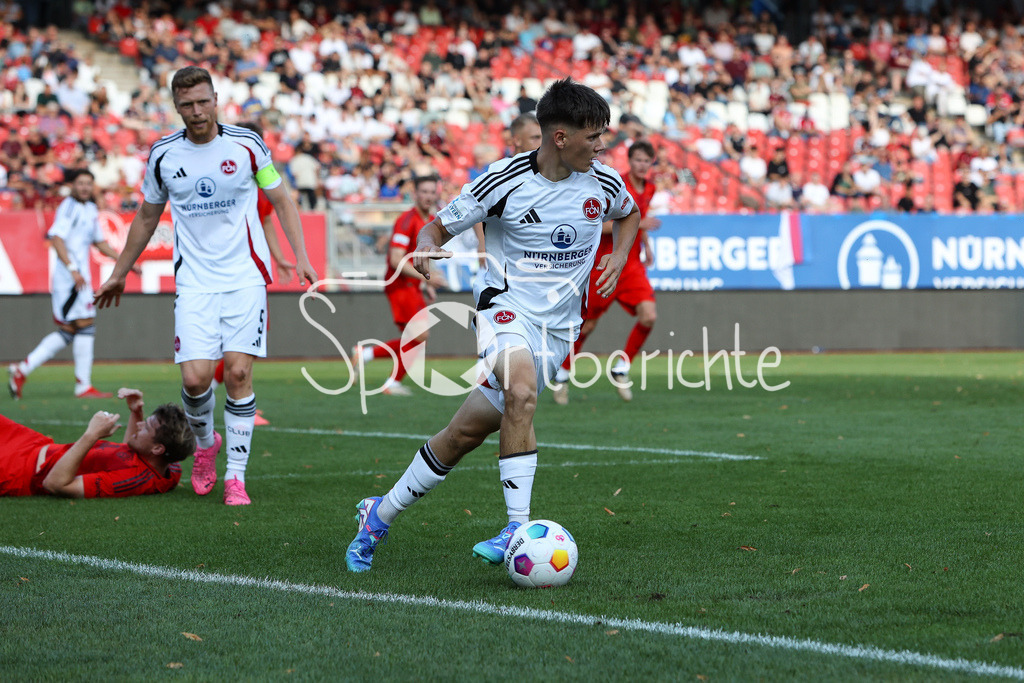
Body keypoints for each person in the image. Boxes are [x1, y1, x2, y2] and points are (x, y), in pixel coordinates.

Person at [344, 78, 640, 573]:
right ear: (560, 136)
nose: (603, 145)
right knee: (521, 393)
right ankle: (517, 528)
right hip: (504, 309)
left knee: (462, 435)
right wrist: (426, 244)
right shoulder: (503, 181)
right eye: (594, 135)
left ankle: (379, 513)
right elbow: (437, 223)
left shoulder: (604, 183)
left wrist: (621, 255)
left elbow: (629, 213)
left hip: (558, 329)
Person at [94, 66, 317, 506]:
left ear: (216, 98)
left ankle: (236, 476)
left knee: (237, 373)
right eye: (186, 105)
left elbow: (281, 200)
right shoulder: (163, 155)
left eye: (202, 101)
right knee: (196, 380)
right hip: (194, 280)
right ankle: (206, 443)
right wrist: (120, 270)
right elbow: (145, 217)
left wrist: (302, 256)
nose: (196, 112)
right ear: (176, 107)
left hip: (245, 277)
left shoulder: (247, 145)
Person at [550, 140, 661, 404]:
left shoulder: (651, 188)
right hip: (606, 261)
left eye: (647, 161)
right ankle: (563, 373)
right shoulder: (614, 184)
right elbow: (597, 224)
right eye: (638, 160)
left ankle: (621, 366)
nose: (642, 165)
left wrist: (646, 244)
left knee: (649, 316)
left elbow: (637, 220)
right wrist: (641, 223)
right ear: (630, 161)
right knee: (588, 324)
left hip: (631, 264)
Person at [8, 170, 134, 401]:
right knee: (86, 325)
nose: (85, 187)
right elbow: (57, 238)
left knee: (69, 331)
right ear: (73, 186)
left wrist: (123, 260)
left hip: (80, 279)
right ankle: (82, 386)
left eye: (89, 184)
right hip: (70, 281)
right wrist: (72, 268)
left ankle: (22, 369)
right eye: (81, 183)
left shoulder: (89, 209)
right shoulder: (69, 206)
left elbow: (99, 241)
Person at [208, 120, 297, 425]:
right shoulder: (223, 179)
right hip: (221, 273)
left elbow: (268, 220)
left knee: (246, 343)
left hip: (252, 274)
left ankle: (238, 399)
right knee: (229, 344)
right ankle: (218, 395)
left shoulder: (261, 181)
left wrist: (281, 258)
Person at [0, 388, 195, 498]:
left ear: (158, 448)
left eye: (147, 427)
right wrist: (136, 412)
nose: (141, 425)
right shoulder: (170, 467)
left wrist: (91, 434)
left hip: (19, 471)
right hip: (32, 444)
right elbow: (127, 454)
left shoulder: (130, 481)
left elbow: (54, 484)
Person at [351, 175, 447, 396]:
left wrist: (425, 284)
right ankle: (368, 356)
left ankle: (389, 379)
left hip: (412, 285)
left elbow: (421, 257)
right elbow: (396, 259)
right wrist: (427, 279)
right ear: (415, 194)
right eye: (424, 191)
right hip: (399, 285)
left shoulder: (430, 221)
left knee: (414, 338)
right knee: (420, 336)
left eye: (432, 192)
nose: (428, 196)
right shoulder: (406, 220)